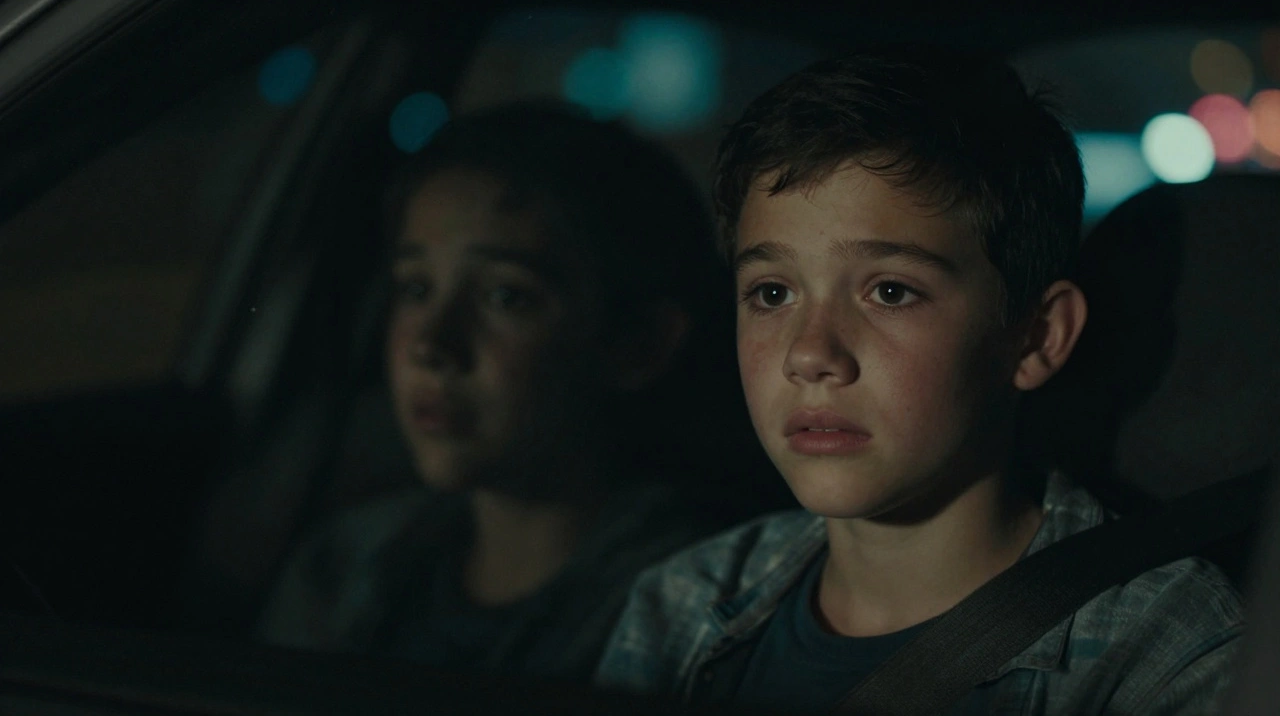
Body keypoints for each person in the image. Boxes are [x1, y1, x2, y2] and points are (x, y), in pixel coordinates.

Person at [594, 46, 1243, 714]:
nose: (810, 354)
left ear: (1037, 337)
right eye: (772, 293)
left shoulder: (1164, 655)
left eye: (892, 292)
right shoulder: (684, 605)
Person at [256, 102, 748, 683]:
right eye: (416, 287)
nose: (432, 345)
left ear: (638, 344)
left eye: (506, 297)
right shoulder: (345, 567)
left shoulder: (691, 614)